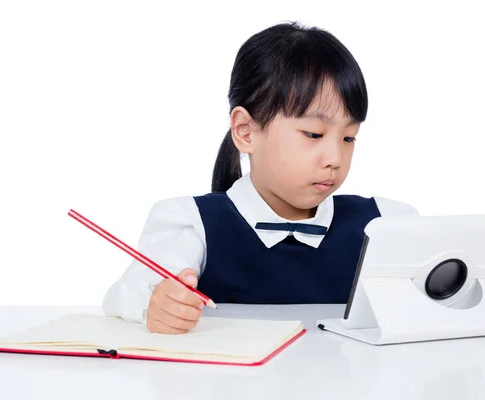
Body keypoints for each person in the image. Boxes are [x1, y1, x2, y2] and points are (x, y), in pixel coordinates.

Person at [102, 21, 418, 334]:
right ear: (246, 131)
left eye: (349, 138)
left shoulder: (384, 224)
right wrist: (157, 304)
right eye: (313, 134)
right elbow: (125, 295)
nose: (335, 158)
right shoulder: (192, 223)